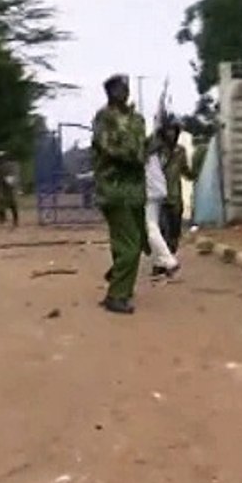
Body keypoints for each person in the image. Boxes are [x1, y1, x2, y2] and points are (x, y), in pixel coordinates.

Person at [91, 73, 148, 314]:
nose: (122, 92)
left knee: (128, 241)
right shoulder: (104, 118)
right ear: (109, 93)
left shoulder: (137, 119)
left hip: (135, 189)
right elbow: (109, 148)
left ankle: (120, 280)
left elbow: (141, 147)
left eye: (125, 88)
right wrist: (136, 155)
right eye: (116, 89)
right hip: (113, 189)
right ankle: (116, 295)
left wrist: (147, 149)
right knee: (130, 245)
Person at [143, 121, 182, 279]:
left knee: (151, 228)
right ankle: (160, 262)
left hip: (151, 191)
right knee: (155, 228)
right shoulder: (156, 149)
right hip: (158, 191)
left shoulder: (148, 149)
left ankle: (168, 260)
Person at [155, 119, 194, 255]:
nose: (171, 134)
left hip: (175, 196)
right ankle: (163, 259)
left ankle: (171, 253)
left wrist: (194, 175)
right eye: (168, 131)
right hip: (160, 197)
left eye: (173, 131)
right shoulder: (158, 152)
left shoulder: (180, 151)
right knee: (162, 229)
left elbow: (184, 170)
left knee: (175, 230)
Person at [0, 150, 20, 228]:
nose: (1, 159)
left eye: (2, 158)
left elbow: (14, 174)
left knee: (12, 203)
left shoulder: (10, 165)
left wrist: (12, 181)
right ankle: (2, 216)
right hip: (0, 186)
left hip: (9, 187)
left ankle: (15, 220)